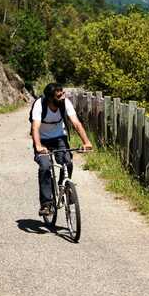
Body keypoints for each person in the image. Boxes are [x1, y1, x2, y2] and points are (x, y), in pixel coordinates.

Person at [31, 83, 93, 216]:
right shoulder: (39, 105)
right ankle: (46, 204)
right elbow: (35, 127)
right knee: (45, 166)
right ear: (50, 98)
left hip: (59, 138)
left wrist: (86, 142)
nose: (63, 97)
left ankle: (64, 188)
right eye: (59, 95)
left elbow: (76, 123)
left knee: (68, 162)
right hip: (42, 141)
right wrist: (38, 146)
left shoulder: (65, 103)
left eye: (63, 93)